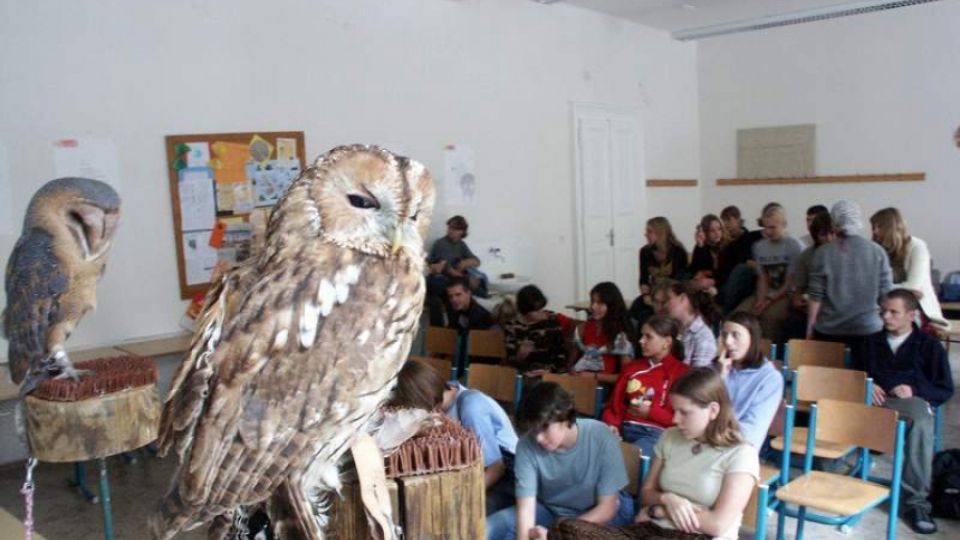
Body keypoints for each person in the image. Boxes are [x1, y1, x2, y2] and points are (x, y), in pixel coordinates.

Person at [550, 368, 759, 540]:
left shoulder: (740, 454)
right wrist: (668, 499)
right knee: (564, 529)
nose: (675, 419)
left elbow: (717, 525)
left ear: (713, 410)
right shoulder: (670, 437)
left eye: (684, 412)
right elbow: (646, 494)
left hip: (697, 536)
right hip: (651, 531)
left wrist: (661, 511)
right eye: (674, 410)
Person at [858, 289, 954, 534]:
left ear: (911, 315)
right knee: (829, 407)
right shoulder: (870, 343)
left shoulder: (929, 346)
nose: (886, 317)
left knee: (921, 422)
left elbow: (944, 388)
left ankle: (915, 502)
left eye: (893, 312)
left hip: (909, 404)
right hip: (871, 401)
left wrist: (914, 389)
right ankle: (832, 478)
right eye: (883, 312)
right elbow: (855, 375)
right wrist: (868, 384)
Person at [486, 381, 634, 540]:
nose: (538, 438)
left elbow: (608, 507)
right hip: (552, 510)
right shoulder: (527, 445)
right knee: (492, 526)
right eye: (533, 430)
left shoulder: (600, 435)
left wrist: (555, 534)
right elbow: (526, 509)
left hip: (598, 515)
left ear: (564, 414)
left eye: (544, 428)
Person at [387, 360, 519, 515]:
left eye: (411, 410)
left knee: (455, 513)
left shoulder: (471, 407)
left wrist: (460, 498)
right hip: (478, 468)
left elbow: (497, 467)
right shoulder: (443, 394)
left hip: (505, 476)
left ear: (424, 401)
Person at [806, 200, 892, 364]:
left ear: (834, 222)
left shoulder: (823, 253)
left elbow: (816, 296)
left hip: (830, 330)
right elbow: (886, 294)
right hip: (868, 329)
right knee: (864, 382)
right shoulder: (877, 251)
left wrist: (810, 328)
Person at [602, 315, 690, 457]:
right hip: (624, 428)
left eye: (648, 337)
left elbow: (681, 419)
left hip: (656, 435)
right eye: (642, 336)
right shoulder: (632, 368)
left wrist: (650, 412)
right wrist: (612, 425)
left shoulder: (682, 372)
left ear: (667, 342)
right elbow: (614, 405)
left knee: (627, 458)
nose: (641, 341)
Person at [871, 208, 949, 333]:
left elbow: (914, 286)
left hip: (916, 307)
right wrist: (902, 289)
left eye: (879, 227)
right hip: (884, 307)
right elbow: (869, 284)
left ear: (891, 227)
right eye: (873, 227)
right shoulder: (875, 249)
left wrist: (884, 288)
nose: (874, 232)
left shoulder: (917, 247)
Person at [736, 205, 804, 343]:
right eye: (765, 227)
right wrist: (761, 300)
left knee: (770, 318)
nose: (768, 231)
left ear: (784, 224)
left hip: (786, 294)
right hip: (765, 291)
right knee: (740, 315)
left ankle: (768, 355)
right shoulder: (759, 246)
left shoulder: (794, 246)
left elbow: (789, 282)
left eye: (772, 227)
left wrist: (769, 301)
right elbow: (762, 278)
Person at [716, 311, 783, 450]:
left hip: (738, 449)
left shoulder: (770, 379)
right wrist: (719, 377)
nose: (728, 342)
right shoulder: (715, 367)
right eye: (724, 335)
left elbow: (751, 432)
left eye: (735, 335)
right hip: (707, 440)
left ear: (752, 339)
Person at [502, 284, 574, 374]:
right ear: (525, 310)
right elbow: (510, 360)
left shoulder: (551, 321)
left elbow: (561, 354)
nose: (541, 313)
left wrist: (549, 371)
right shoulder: (512, 326)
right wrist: (520, 355)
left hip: (548, 372)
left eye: (542, 308)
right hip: (523, 373)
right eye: (536, 310)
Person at [784, 211, 834, 339]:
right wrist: (798, 300)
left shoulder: (845, 254)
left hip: (835, 304)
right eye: (823, 235)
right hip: (811, 302)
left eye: (832, 233)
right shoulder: (806, 256)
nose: (829, 238)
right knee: (793, 320)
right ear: (816, 236)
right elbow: (799, 289)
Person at [570, 282, 635, 376]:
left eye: (600, 303)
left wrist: (594, 377)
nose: (593, 307)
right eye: (592, 302)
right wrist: (573, 371)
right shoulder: (583, 328)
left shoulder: (621, 334)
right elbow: (571, 364)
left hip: (604, 385)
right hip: (580, 381)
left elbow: (626, 376)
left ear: (612, 306)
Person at [715, 205, 765, 313]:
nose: (727, 225)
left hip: (747, 282)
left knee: (743, 268)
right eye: (724, 222)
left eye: (729, 220)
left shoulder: (751, 236)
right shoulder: (725, 244)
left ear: (738, 219)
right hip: (726, 284)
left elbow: (768, 233)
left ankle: (724, 312)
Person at [666, 281, 719, 368]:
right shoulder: (675, 330)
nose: (666, 304)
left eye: (669, 298)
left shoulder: (703, 337)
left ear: (682, 298)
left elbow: (699, 378)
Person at [639, 217, 689, 296]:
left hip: (673, 294)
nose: (645, 234)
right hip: (653, 293)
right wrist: (645, 295)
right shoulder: (645, 251)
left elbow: (680, 281)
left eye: (649, 231)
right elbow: (643, 279)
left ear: (660, 233)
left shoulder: (678, 252)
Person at [689, 214, 727, 293]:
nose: (717, 233)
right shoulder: (701, 247)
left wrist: (713, 280)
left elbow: (726, 273)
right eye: (712, 231)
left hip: (721, 283)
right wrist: (700, 245)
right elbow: (695, 269)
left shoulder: (726, 247)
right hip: (704, 282)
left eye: (719, 229)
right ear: (705, 232)